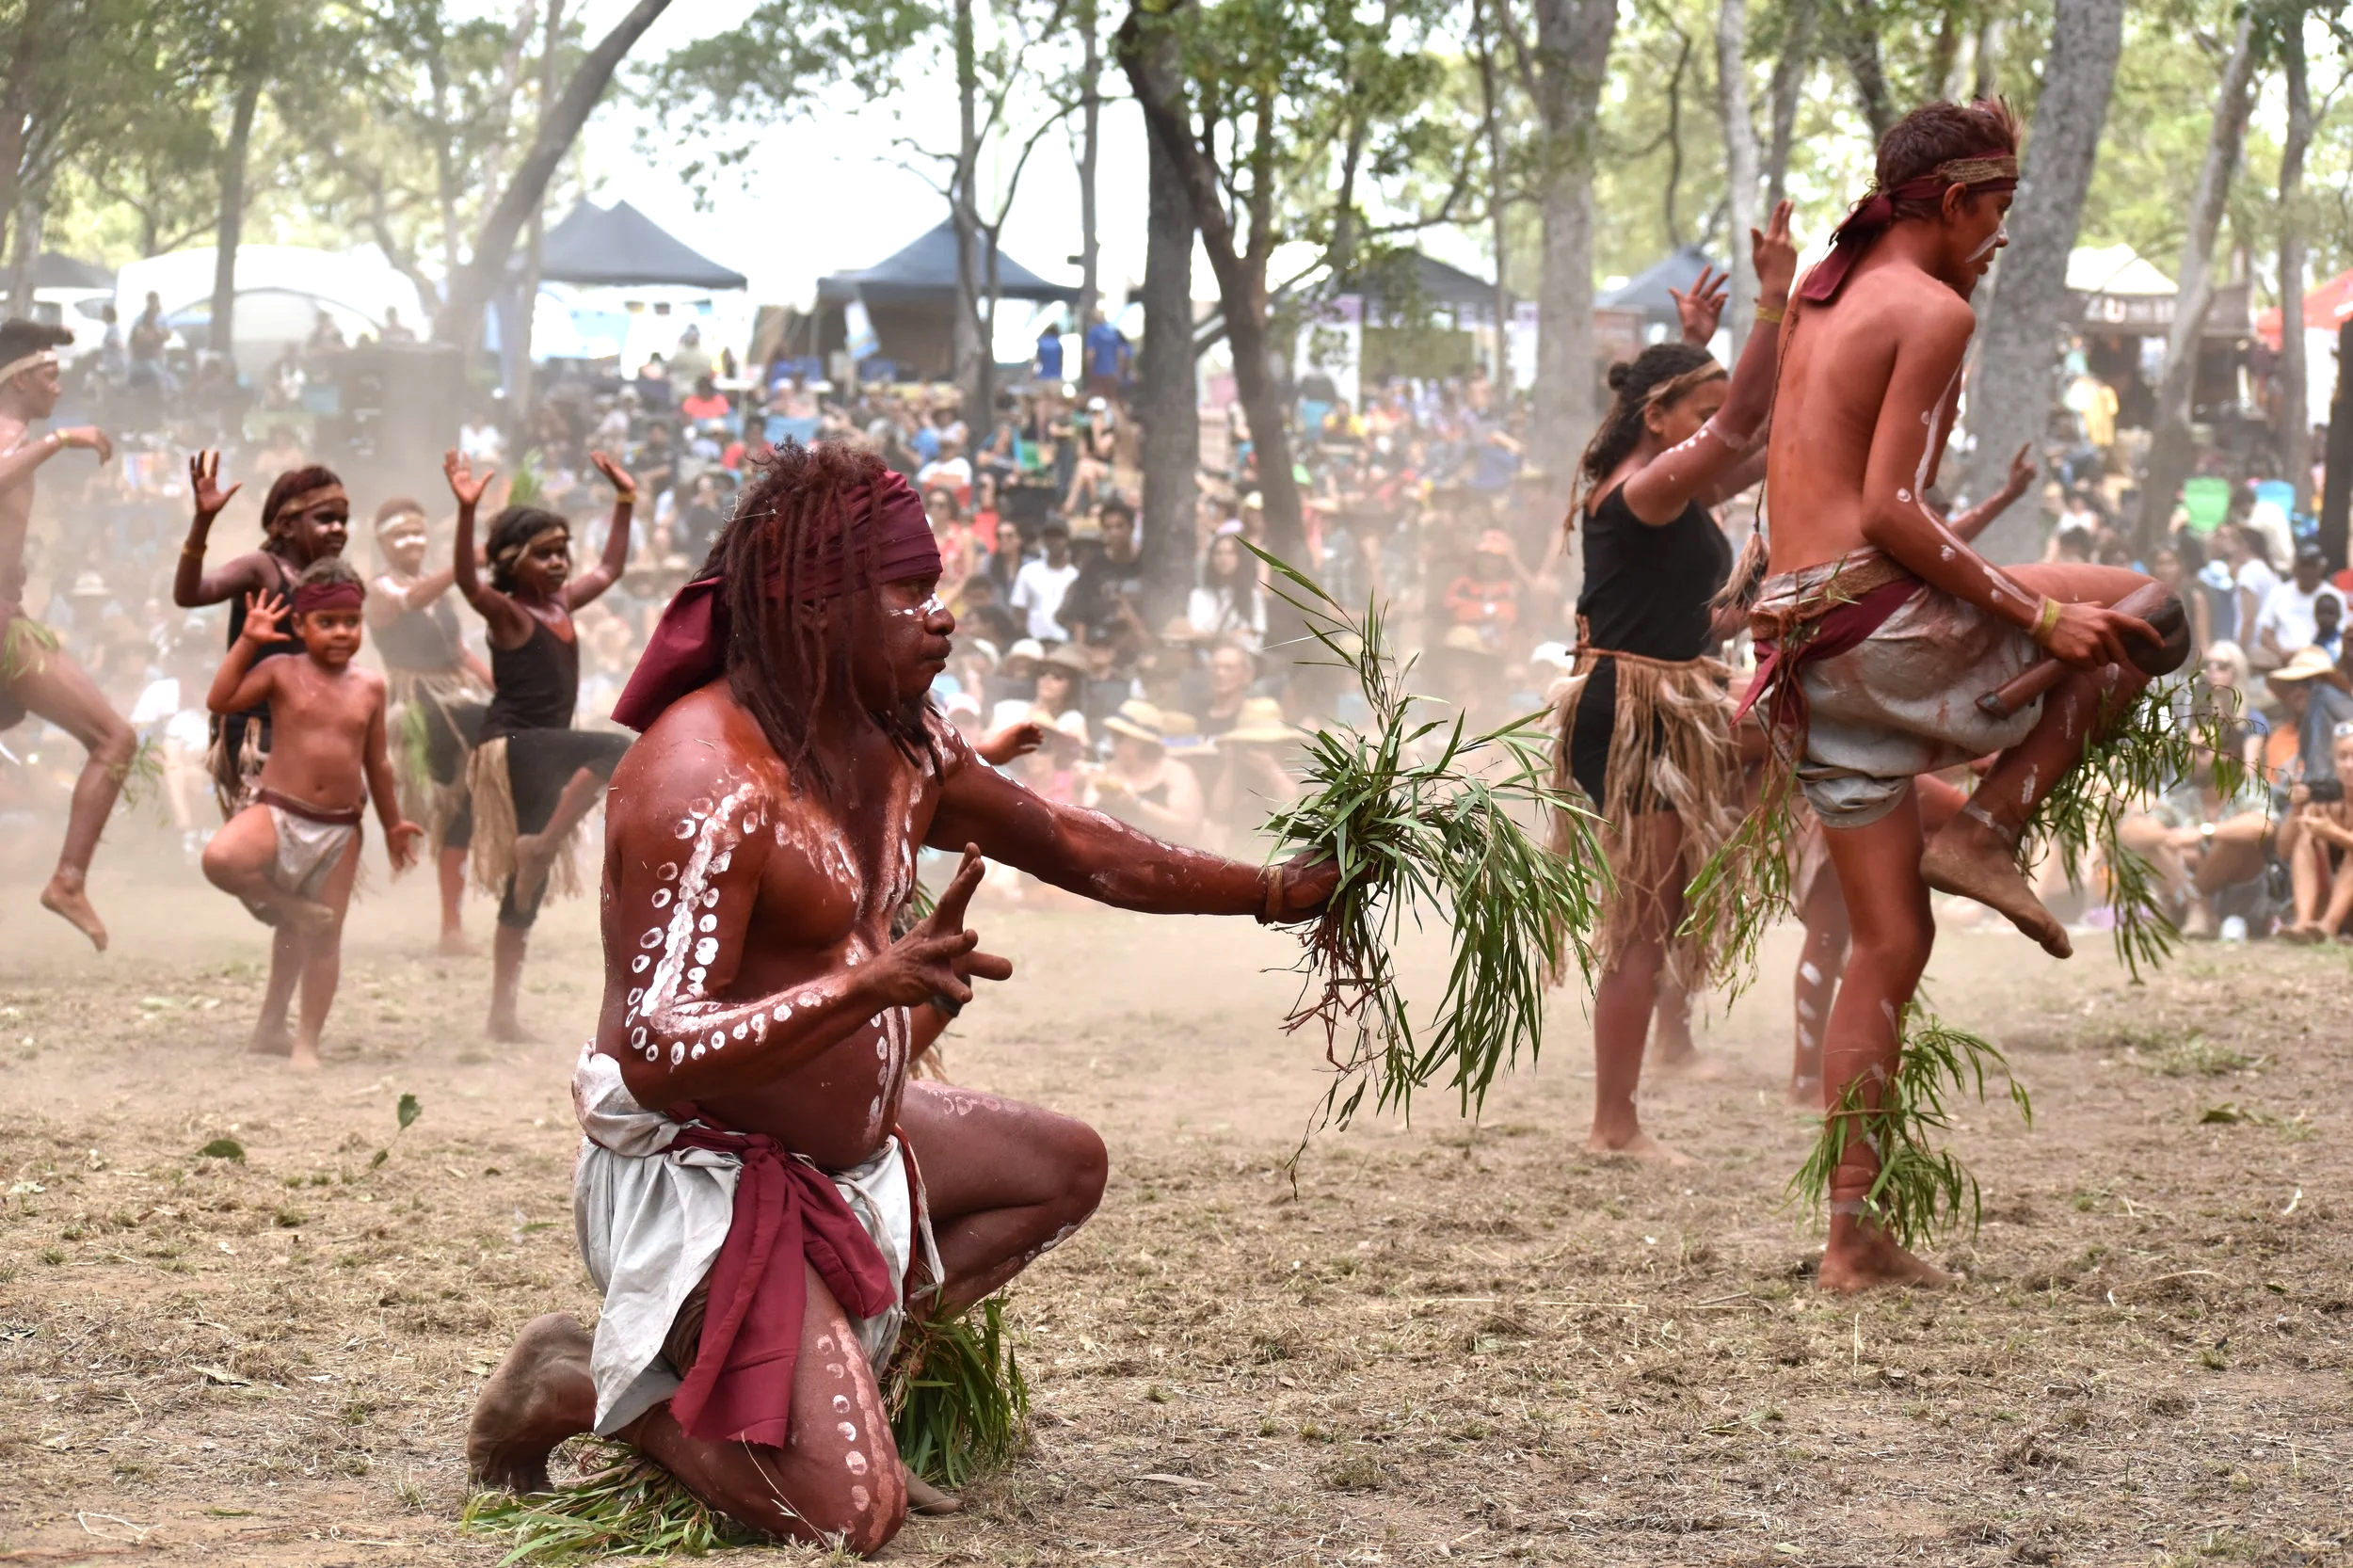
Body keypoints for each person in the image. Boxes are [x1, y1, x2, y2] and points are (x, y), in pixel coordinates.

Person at [461, 440, 1335, 1551]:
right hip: (708, 1171)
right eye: (910, 592)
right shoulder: (706, 782)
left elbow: (1064, 836)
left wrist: (1271, 890)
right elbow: (656, 1050)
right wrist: (865, 985)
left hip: (849, 1146)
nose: (943, 616)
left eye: (939, 588)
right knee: (851, 1518)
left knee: (1061, 1167)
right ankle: (581, 1380)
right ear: (819, 610)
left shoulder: (898, 741)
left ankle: (828, 1388)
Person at [1742, 99, 2181, 1290]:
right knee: (2145, 604)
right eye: (1999, 211)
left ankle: (1851, 1234)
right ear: (1950, 201)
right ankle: (1990, 824)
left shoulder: (1823, 299)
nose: (1998, 238)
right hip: (1874, 629)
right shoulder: (1931, 309)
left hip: (1805, 656)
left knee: (1889, 941)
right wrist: (2039, 616)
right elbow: (1889, 509)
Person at [1551, 201, 1799, 1163]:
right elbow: (1742, 427)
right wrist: (1772, 304)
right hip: (1633, 713)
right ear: (1657, 421)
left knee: (1661, 912)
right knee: (1641, 922)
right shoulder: (1645, 488)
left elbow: (1748, 437)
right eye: (1690, 413)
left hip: (1667, 697)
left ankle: (1649, 1075)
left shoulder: (1661, 479)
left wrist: (1701, 351)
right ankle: (1613, 1124)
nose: (1713, 434)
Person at [446, 448, 638, 1040]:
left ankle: (501, 1013)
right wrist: (466, 515)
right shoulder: (507, 611)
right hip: (512, 745)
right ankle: (543, 844)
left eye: (562, 552)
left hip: (540, 751)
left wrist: (625, 502)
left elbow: (608, 571)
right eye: (544, 554)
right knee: (618, 751)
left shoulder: (560, 603)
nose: (559, 564)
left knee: (522, 889)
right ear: (511, 562)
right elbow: (465, 582)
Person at [201, 558, 423, 1070]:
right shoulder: (280, 670)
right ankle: (287, 904)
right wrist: (249, 641)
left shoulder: (370, 685)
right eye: (328, 623)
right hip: (278, 810)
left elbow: (378, 762)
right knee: (221, 858)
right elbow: (221, 698)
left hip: (339, 829)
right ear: (300, 626)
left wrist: (392, 825)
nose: (342, 633)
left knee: (323, 937)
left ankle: (303, 1043)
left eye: (351, 621)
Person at [0, 320, 129, 950]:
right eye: (50, 374)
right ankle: (68, 881)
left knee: (114, 739)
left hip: (7, 612)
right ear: (20, 378)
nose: (58, 385)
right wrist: (61, 440)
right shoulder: (9, 434)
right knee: (115, 737)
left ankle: (68, 882)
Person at [369, 497, 494, 954]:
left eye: (418, 533)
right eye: (400, 535)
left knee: (466, 804)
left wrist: (500, 688)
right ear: (382, 543)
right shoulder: (379, 590)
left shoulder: (438, 591)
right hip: (419, 701)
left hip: (458, 692)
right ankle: (450, 924)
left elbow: (459, 651)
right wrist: (465, 567)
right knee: (450, 799)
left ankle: (453, 925)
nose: (411, 542)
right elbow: (410, 600)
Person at [1057, 497, 1144, 645]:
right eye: (1108, 528)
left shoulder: (1144, 563)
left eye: (1119, 526)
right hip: (1102, 643)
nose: (1114, 533)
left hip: (1138, 639)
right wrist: (1081, 649)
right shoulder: (1094, 566)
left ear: (1131, 527)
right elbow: (1080, 612)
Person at [2252, 545, 2342, 665]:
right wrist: (2281, 652)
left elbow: (2341, 633)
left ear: (2321, 567)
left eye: (2311, 566)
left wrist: (2309, 653)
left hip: (2323, 661)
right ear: (2295, 567)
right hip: (2283, 661)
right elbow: (2265, 632)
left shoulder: (2334, 596)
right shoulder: (2278, 592)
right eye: (2303, 565)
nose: (2307, 571)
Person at [1009, 519, 1079, 643]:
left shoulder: (1075, 576)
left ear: (1067, 540)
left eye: (1058, 536)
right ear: (1043, 540)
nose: (1054, 541)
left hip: (1065, 642)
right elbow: (1019, 611)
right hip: (1035, 641)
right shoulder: (1028, 572)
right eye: (1049, 537)